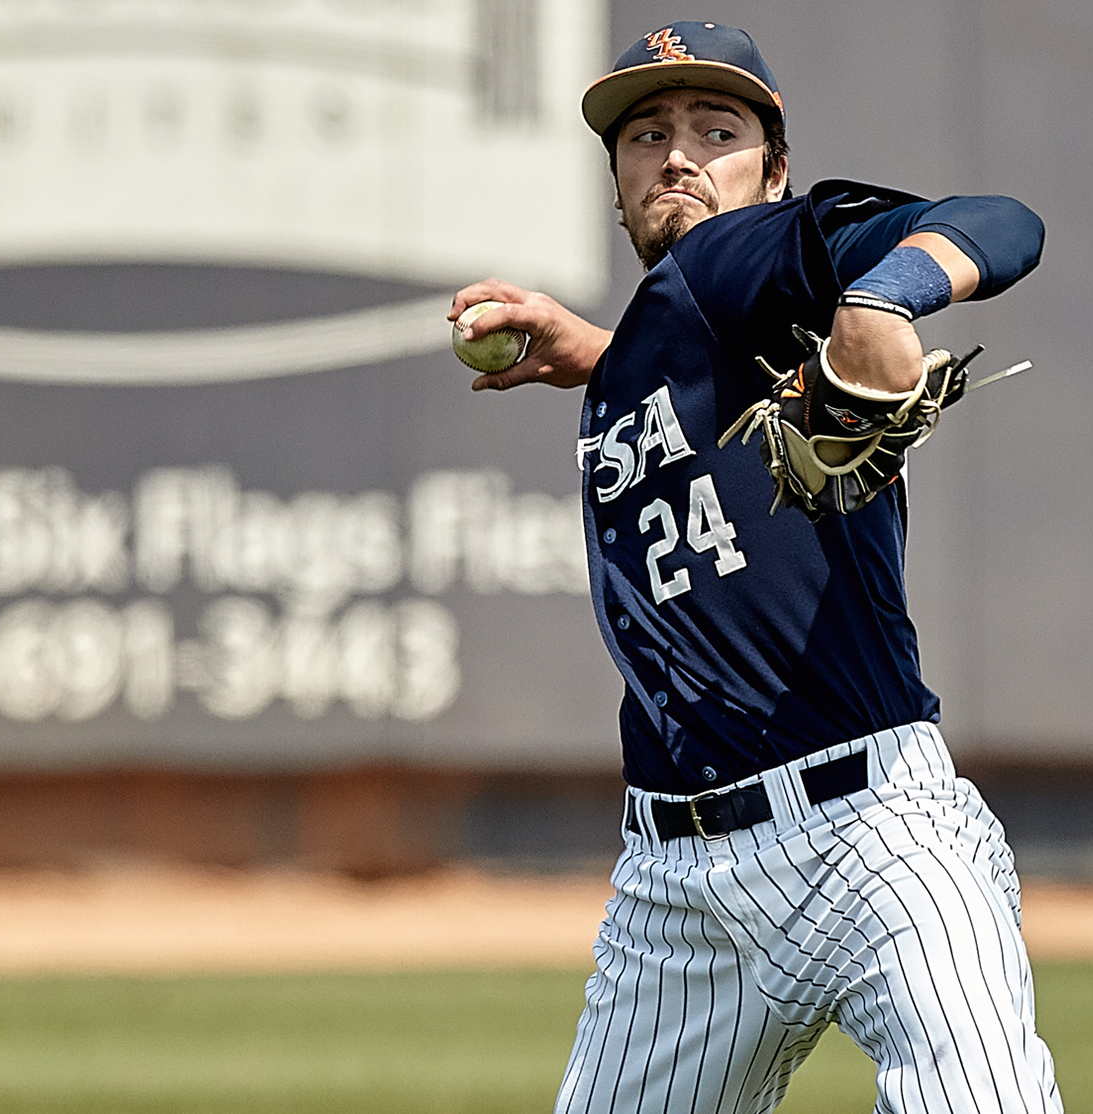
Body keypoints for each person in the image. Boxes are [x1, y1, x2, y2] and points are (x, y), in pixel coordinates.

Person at [450, 20, 1056, 1114]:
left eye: (716, 129)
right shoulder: (663, 332)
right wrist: (604, 357)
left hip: (872, 843)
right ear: (616, 180)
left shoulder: (747, 258)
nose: (676, 154)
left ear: (773, 174)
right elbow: (690, 361)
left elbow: (1000, 224)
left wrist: (883, 297)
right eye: (645, 134)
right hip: (674, 891)